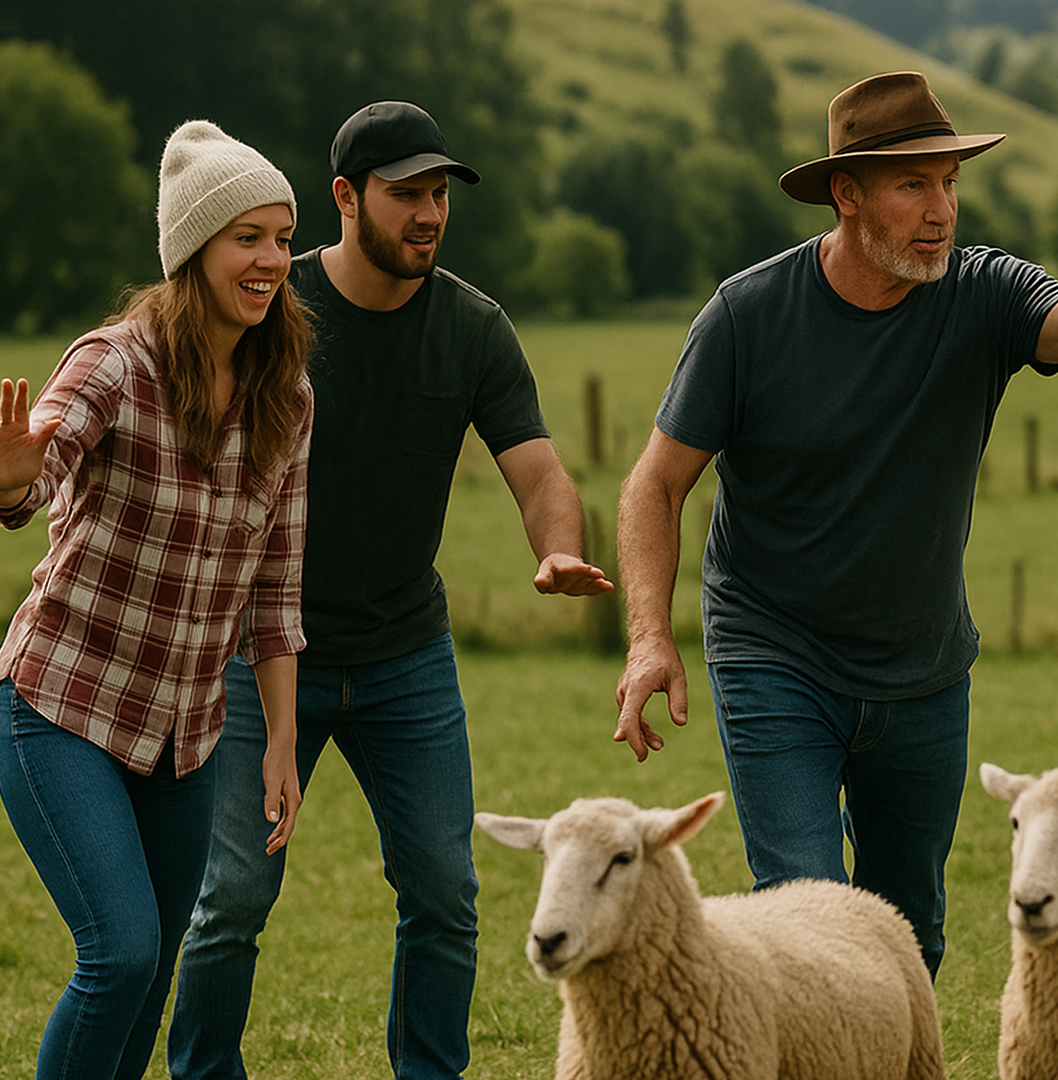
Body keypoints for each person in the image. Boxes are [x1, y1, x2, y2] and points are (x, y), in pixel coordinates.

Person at [613, 70, 1058, 977]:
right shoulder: (748, 315)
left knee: (911, 935)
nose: (941, 208)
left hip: (921, 668)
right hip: (773, 654)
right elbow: (654, 484)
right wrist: (649, 637)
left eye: (950, 182)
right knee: (802, 918)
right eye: (914, 183)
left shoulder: (982, 292)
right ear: (847, 194)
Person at [168, 101, 610, 1080]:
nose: (428, 213)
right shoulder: (271, 313)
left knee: (446, 889)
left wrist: (558, 548)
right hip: (258, 652)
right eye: (406, 193)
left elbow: (538, 472)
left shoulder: (472, 327)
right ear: (345, 197)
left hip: (406, 652)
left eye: (439, 194)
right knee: (234, 894)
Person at [0, 120, 311, 1080]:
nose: (270, 261)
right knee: (121, 952)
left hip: (187, 735)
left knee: (153, 973)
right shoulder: (116, 363)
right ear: (191, 250)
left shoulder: (287, 395)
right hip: (62, 707)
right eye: (245, 238)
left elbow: (277, 585)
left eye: (283, 238)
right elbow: (36, 475)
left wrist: (285, 745)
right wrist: (12, 476)